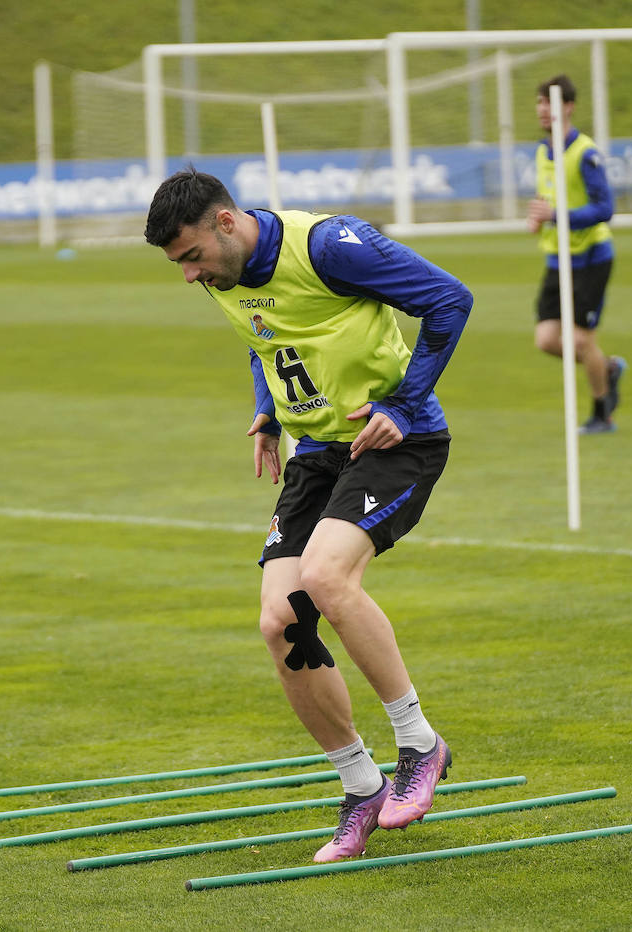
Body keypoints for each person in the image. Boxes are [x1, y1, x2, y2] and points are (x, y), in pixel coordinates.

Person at [145, 168, 472, 863]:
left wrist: (404, 404)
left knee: (326, 576)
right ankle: (361, 785)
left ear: (226, 222)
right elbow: (264, 336)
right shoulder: (222, 273)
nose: (189, 275)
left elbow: (449, 298)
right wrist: (268, 410)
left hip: (394, 441)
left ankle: (420, 744)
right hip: (318, 453)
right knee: (280, 621)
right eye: (179, 265)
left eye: (191, 256)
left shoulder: (328, 246)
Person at [527, 74, 626, 434]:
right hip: (558, 258)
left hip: (591, 258)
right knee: (546, 340)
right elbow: (549, 197)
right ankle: (608, 368)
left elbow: (605, 208)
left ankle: (602, 415)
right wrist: (538, 218)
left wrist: (556, 216)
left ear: (568, 107)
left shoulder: (585, 153)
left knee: (582, 341)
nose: (542, 109)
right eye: (539, 102)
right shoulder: (542, 151)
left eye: (549, 102)